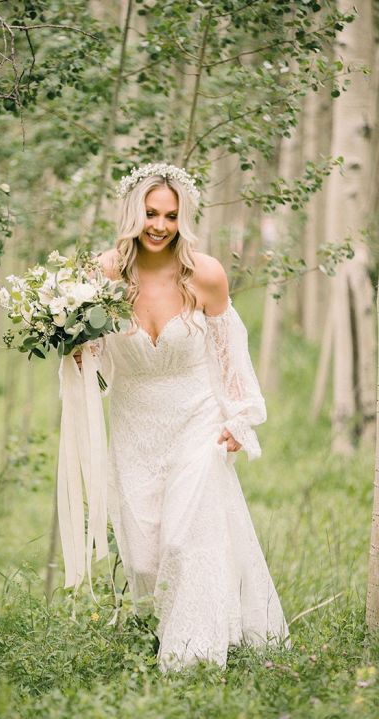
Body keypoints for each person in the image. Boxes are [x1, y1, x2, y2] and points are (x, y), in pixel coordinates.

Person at [75, 163, 290, 672]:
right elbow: (96, 357)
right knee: (147, 555)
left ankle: (192, 659)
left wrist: (239, 418)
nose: (160, 225)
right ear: (132, 213)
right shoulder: (102, 276)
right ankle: (194, 627)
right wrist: (74, 348)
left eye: (171, 216)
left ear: (182, 218)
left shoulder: (206, 274)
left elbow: (229, 354)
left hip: (196, 419)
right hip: (135, 425)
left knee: (186, 537)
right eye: (150, 213)